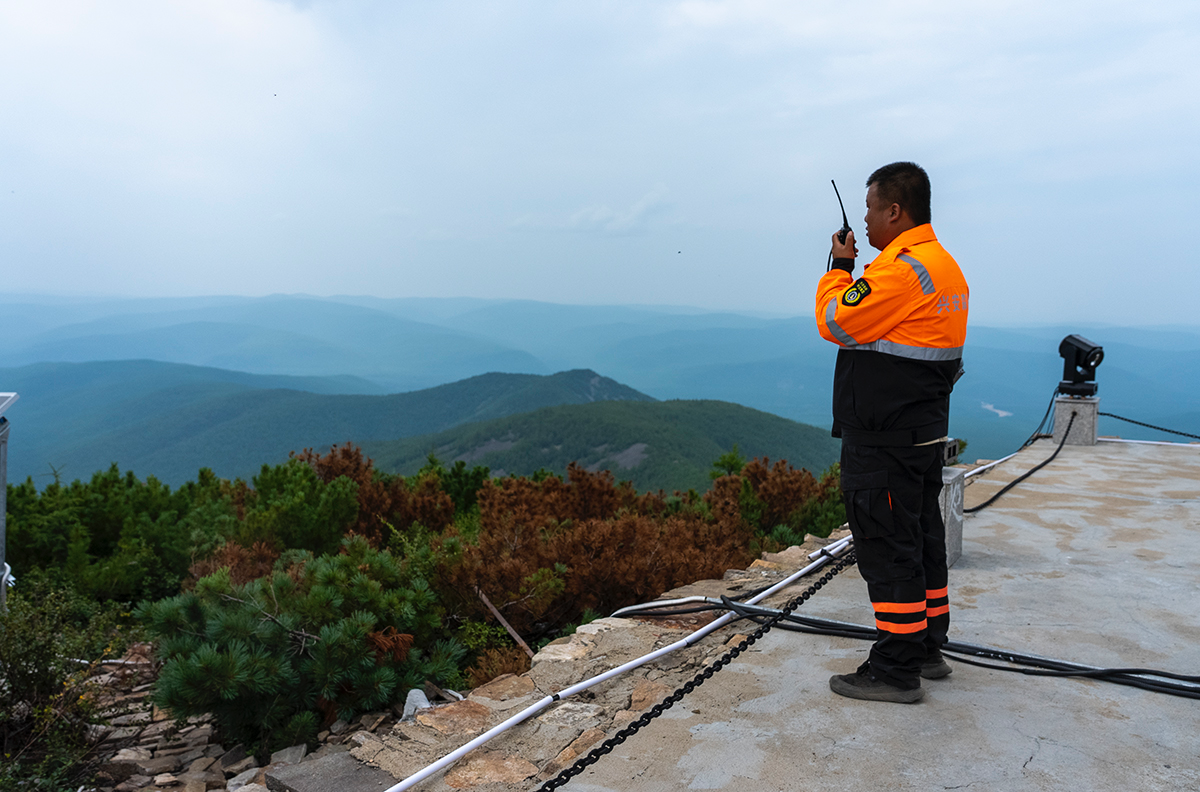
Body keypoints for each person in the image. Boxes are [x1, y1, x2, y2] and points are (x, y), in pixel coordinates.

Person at [814, 162, 969, 703]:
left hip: (884, 438)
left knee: (886, 547)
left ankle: (895, 667)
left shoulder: (900, 271)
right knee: (921, 540)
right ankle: (927, 647)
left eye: (870, 209)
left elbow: (835, 320)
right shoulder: (942, 266)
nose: (865, 219)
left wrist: (839, 267)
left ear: (894, 211)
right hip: (922, 434)